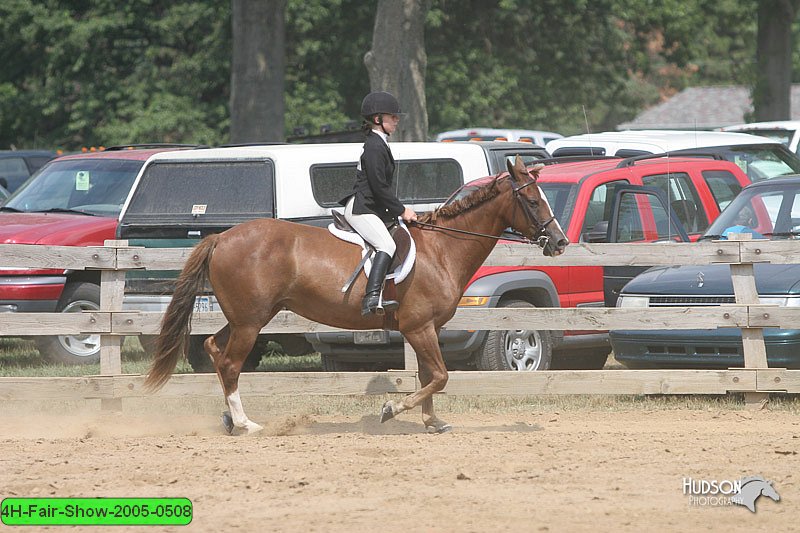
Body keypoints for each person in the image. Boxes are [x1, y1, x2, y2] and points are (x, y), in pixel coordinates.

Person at [340, 91, 418, 316]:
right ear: (377, 119)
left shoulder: (379, 143)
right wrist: (402, 210)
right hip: (362, 208)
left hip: (371, 207)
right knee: (387, 245)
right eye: (392, 116)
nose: (397, 119)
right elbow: (378, 186)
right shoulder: (374, 146)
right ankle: (372, 297)